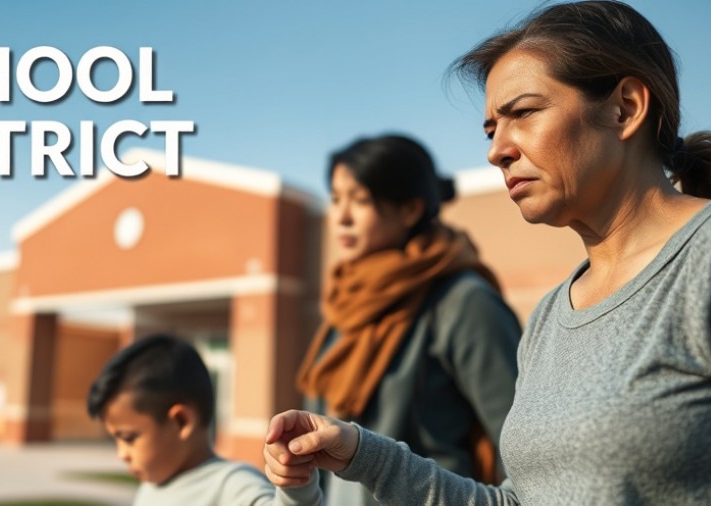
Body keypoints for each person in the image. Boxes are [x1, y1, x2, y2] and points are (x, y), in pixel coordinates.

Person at [265, 1, 711, 505]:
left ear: (625, 107)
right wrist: (362, 455)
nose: (497, 149)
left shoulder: (701, 261)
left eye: (522, 113)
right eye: (490, 129)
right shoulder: (551, 315)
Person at [294, 133, 521, 505]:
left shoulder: (463, 302)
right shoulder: (347, 303)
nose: (342, 216)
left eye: (361, 200)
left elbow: (523, 446)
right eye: (336, 199)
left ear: (411, 210)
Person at [86, 333, 321, 505]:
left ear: (181, 421)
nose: (121, 454)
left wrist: (296, 484)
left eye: (129, 438)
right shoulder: (150, 487)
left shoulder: (233, 486)